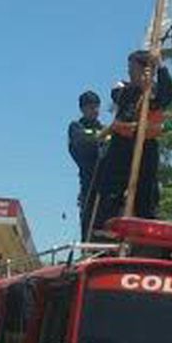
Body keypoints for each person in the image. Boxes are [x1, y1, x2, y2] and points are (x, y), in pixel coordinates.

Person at [88, 50, 172, 236]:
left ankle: (146, 230)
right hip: (122, 146)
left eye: (132, 68)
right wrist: (140, 89)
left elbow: (166, 96)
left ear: (145, 70)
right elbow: (118, 95)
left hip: (146, 147)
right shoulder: (124, 91)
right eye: (129, 68)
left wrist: (160, 68)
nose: (129, 72)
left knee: (146, 191)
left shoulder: (156, 92)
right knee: (112, 189)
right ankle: (106, 228)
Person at [69, 89, 107, 235]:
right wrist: (99, 139)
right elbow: (81, 146)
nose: (95, 110)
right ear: (83, 109)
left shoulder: (104, 128)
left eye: (97, 106)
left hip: (106, 186)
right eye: (91, 107)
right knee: (89, 226)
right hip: (89, 184)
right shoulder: (77, 127)